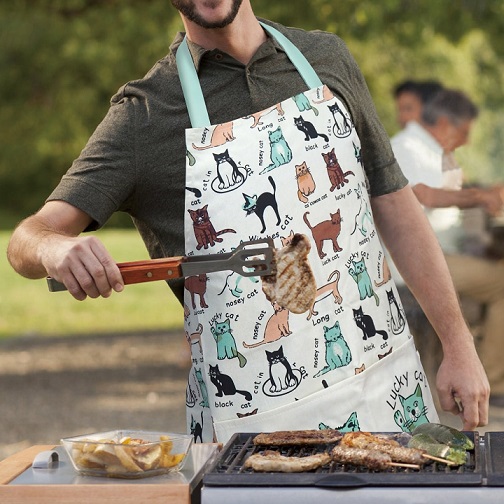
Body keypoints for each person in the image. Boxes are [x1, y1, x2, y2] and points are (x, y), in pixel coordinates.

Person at [7, 0, 489, 441]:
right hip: (253, 424)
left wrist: (458, 345)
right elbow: (27, 241)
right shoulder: (145, 115)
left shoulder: (326, 58)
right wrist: (56, 249)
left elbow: (395, 205)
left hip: (384, 388)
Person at [391, 88, 504, 407]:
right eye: (465, 132)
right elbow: (423, 195)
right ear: (444, 123)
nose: (467, 140)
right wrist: (479, 197)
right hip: (416, 263)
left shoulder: (430, 151)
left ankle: (479, 370)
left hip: (441, 253)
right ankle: (495, 381)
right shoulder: (407, 147)